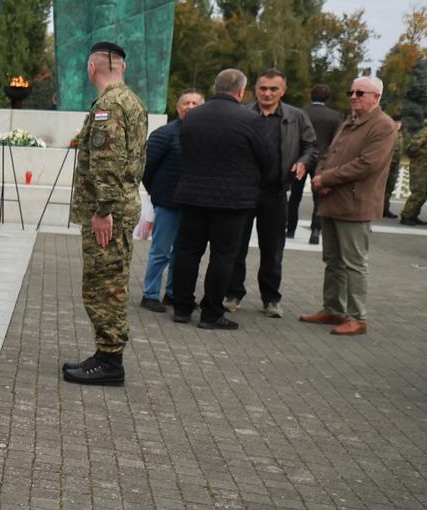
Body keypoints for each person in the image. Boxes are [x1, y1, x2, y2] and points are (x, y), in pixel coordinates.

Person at [63, 42, 148, 385]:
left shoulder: (108, 107)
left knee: (103, 286)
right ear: (122, 68)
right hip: (124, 205)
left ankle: (110, 361)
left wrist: (103, 210)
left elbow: (106, 163)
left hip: (109, 212)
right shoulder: (132, 101)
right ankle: (105, 354)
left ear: (92, 68)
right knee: (110, 282)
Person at [168, 69, 275, 331]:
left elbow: (186, 151)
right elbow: (267, 159)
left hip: (192, 196)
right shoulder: (250, 120)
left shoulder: (192, 118)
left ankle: (182, 308)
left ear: (215, 87)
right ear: (241, 91)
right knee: (223, 256)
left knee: (187, 251)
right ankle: (211, 313)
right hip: (232, 201)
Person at [301, 77, 395, 335]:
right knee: (332, 259)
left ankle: (357, 317)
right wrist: (319, 175)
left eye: (360, 92)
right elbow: (330, 153)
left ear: (375, 97)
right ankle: (333, 309)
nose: (353, 96)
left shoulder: (383, 126)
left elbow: (367, 164)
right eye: (351, 91)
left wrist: (326, 178)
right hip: (332, 200)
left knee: (354, 263)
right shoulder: (349, 122)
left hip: (356, 203)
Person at [225, 69, 316, 317]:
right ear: (255, 89)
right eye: (263, 88)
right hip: (243, 192)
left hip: (275, 192)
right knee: (236, 247)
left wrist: (303, 161)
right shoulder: (242, 113)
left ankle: (271, 298)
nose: (267, 93)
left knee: (273, 249)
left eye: (273, 89)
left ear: (282, 91)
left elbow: (311, 146)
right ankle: (233, 294)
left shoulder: (296, 117)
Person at [138, 89, 203, 311]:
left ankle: (174, 293)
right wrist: (157, 194)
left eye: (196, 103)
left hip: (193, 204)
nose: (191, 106)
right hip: (168, 203)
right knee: (161, 251)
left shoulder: (206, 135)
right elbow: (146, 169)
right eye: (186, 103)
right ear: (178, 107)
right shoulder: (164, 134)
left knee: (182, 253)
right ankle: (150, 294)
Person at [295, 85, 344, 242]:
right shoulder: (334, 116)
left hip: (301, 158)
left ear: (310, 95)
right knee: (319, 198)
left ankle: (289, 228)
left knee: (295, 196)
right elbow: (336, 142)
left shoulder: (300, 113)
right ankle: (315, 230)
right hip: (322, 161)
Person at [400, 118, 427, 225]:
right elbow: (411, 148)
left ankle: (413, 215)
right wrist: (419, 157)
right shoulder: (426, 132)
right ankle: (406, 216)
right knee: (418, 192)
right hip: (420, 168)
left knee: (424, 193)